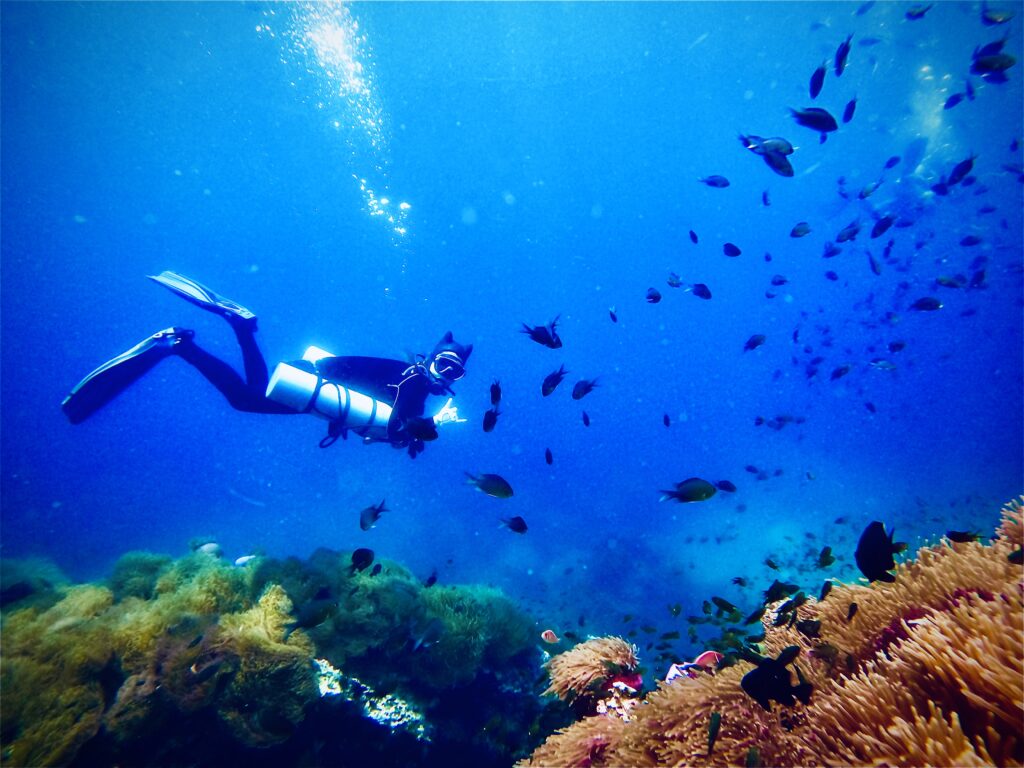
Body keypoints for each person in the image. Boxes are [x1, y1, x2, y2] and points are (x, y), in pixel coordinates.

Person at [61, 271, 470, 457]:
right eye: (444, 365)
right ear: (431, 359)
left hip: (310, 375)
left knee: (251, 390)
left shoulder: (408, 376)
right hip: (313, 381)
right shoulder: (415, 384)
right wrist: (424, 432)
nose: (445, 374)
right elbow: (398, 426)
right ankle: (183, 346)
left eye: (454, 372)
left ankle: (240, 326)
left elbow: (373, 404)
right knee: (243, 399)